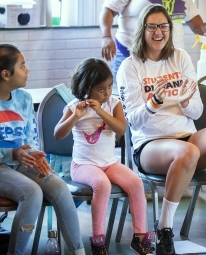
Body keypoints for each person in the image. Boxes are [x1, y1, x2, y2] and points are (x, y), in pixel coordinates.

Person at [116, 4, 206, 254]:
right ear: (142, 29)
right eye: (151, 26)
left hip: (186, 137)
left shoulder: (181, 57)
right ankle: (164, 227)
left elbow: (196, 111)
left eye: (163, 26)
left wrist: (186, 102)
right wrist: (154, 102)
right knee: (188, 152)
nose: (158, 32)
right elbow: (133, 122)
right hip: (150, 144)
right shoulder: (130, 66)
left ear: (170, 29)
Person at [0, 44, 86, 255]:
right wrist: (11, 154)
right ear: (6, 74)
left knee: (60, 188)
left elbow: (31, 139)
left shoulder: (24, 98)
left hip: (19, 163)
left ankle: (77, 252)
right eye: (23, 66)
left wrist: (34, 154)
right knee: (32, 192)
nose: (28, 70)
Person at [54, 57, 155, 255]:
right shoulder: (73, 106)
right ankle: (98, 240)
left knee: (135, 183)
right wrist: (75, 116)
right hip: (82, 166)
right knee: (102, 184)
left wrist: (100, 111)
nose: (107, 92)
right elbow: (58, 134)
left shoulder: (113, 104)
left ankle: (139, 237)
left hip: (109, 164)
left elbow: (120, 128)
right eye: (101, 89)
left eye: (109, 86)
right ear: (86, 88)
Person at [100, 0, 206, 94]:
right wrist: (106, 36)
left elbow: (193, 18)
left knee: (167, 100)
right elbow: (108, 9)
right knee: (127, 102)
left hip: (169, 60)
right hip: (130, 54)